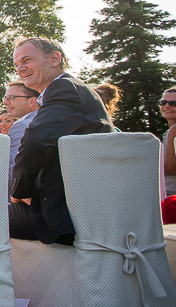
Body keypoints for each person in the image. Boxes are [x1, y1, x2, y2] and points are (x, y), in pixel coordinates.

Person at [8, 38, 113, 244]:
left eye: (27, 60)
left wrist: (19, 191)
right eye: (17, 64)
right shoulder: (72, 89)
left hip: (67, 214)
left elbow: (36, 141)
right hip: (81, 206)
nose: (20, 68)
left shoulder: (64, 88)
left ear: (55, 59)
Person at [2, 81, 40, 177]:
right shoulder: (45, 120)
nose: (5, 102)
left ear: (32, 101)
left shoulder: (22, 126)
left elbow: (15, 169)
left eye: (12, 98)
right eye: (5, 98)